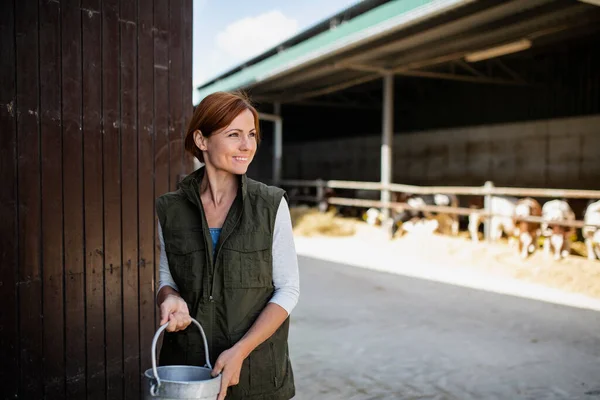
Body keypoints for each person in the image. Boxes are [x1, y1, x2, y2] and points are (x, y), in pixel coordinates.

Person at [155, 91, 300, 400]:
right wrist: (170, 299)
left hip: (257, 373)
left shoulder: (271, 204)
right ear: (202, 139)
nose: (247, 145)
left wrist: (241, 351)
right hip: (187, 368)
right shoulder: (170, 209)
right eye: (234, 134)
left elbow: (288, 288)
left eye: (251, 135)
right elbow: (166, 279)